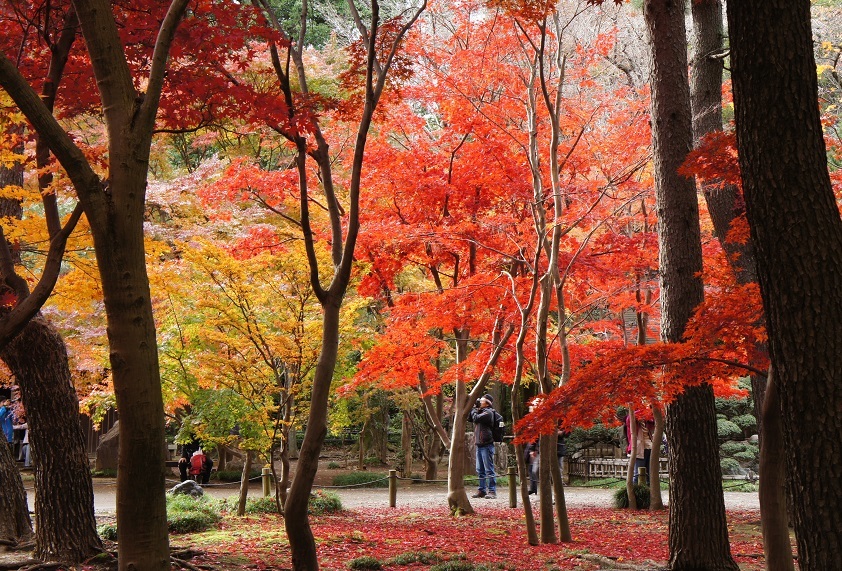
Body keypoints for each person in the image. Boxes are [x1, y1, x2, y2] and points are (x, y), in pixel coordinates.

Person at [468, 393, 502, 500]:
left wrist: (474, 409)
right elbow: (470, 418)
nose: (480, 401)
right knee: (480, 469)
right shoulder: (481, 411)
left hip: (487, 445)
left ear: (487, 403)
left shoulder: (489, 413)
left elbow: (476, 418)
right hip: (479, 445)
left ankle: (492, 491)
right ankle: (481, 490)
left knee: (489, 469)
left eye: (482, 400)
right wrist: (473, 408)